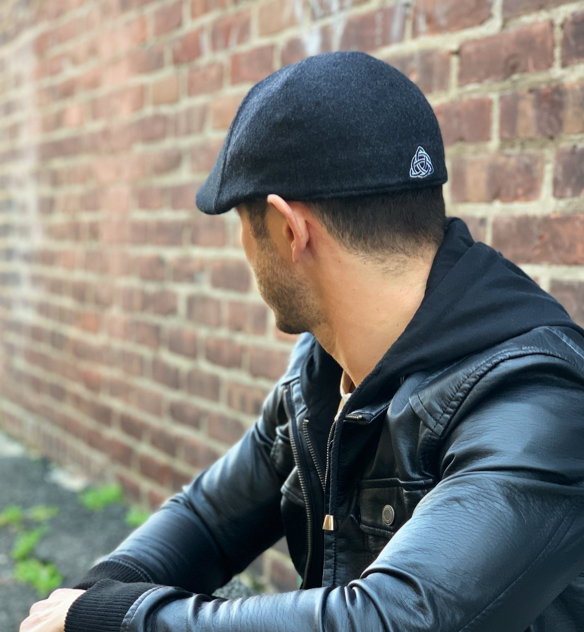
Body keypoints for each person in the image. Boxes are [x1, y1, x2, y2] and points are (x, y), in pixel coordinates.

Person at [20, 52, 584, 632]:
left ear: (289, 229)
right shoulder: (324, 371)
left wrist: (118, 619)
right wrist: (90, 596)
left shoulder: (537, 399)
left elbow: (394, 619)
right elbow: (208, 519)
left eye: (243, 226)